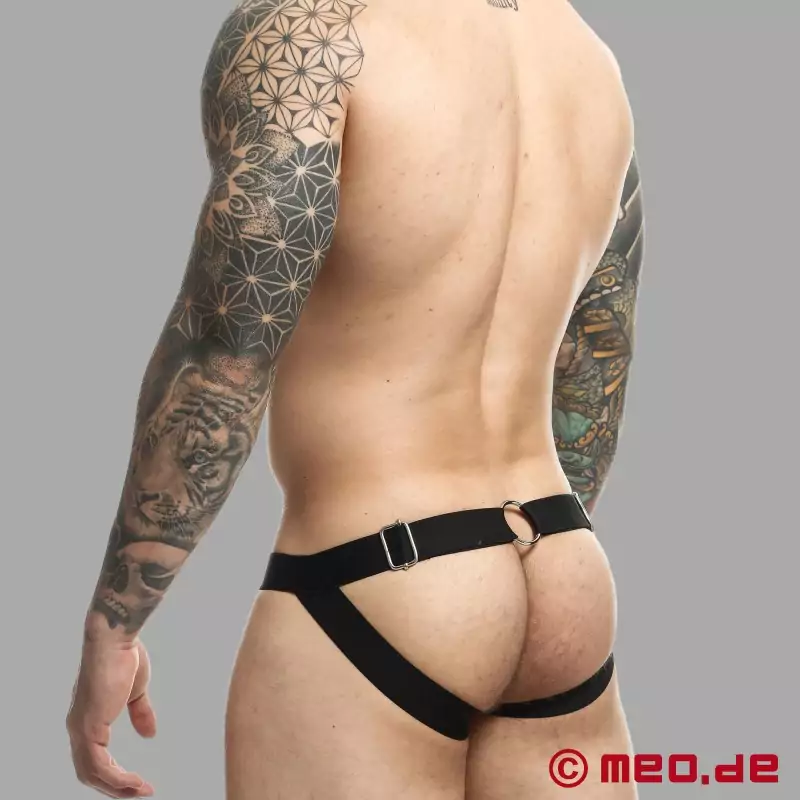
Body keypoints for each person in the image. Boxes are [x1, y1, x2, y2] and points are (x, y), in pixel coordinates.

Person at [66, 0, 645, 797]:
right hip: (563, 570)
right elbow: (598, 359)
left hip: (380, 574)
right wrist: (516, 600)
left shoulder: (310, 35)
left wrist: (116, 621)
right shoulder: (585, 57)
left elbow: (224, 349)